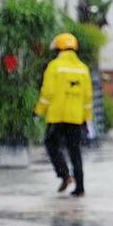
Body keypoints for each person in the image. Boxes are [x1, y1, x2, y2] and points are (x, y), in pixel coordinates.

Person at [35, 33, 93, 197]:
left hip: (58, 116)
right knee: (75, 151)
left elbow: (47, 92)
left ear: (59, 48)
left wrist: (39, 111)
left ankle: (65, 175)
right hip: (76, 117)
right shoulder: (83, 69)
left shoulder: (54, 66)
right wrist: (86, 118)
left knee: (51, 143)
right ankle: (80, 187)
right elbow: (88, 97)